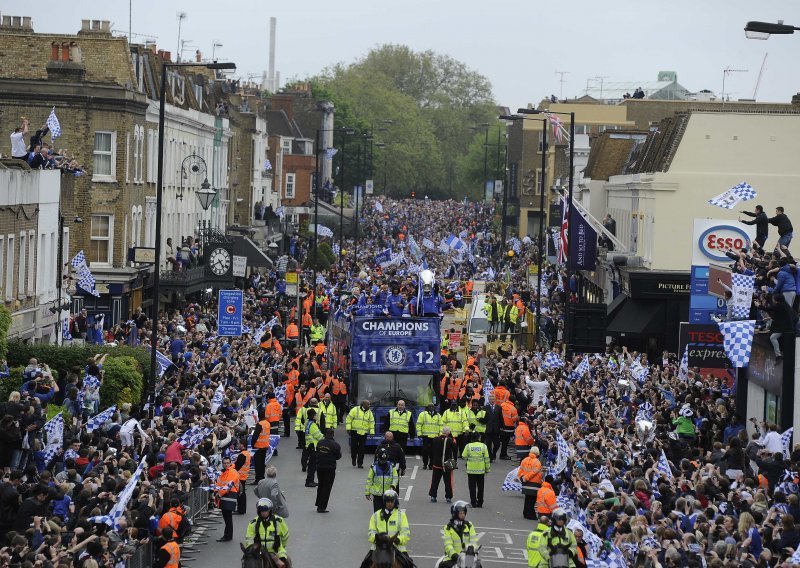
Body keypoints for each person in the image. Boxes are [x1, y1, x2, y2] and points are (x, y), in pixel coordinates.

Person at [360, 490, 412, 568]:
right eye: (388, 501)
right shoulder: (375, 516)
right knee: (364, 565)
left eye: (392, 501)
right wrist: (378, 540)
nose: (390, 503)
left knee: (409, 564)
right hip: (378, 548)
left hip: (396, 547)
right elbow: (371, 533)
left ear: (395, 502)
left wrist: (398, 540)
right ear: (384, 502)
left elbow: (406, 533)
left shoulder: (401, 515)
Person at [245, 498, 291, 568]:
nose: (263, 512)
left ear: (270, 510)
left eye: (266, 510)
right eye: (261, 511)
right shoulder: (253, 523)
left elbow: (285, 536)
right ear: (258, 511)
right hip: (258, 552)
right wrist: (253, 550)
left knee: (286, 562)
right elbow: (249, 539)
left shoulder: (279, 521)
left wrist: (281, 547)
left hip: (276, 552)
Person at [438, 501, 478, 568]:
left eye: (464, 513)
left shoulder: (469, 525)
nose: (463, 515)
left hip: (468, 558)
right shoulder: (448, 528)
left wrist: (472, 548)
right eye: (461, 513)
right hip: (453, 558)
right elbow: (448, 545)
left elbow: (474, 541)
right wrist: (455, 555)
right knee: (441, 566)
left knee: (479, 566)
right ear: (455, 514)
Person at [315, 428, 341, 513]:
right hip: (330, 468)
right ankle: (322, 507)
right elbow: (338, 456)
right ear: (333, 434)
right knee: (327, 487)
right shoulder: (335, 445)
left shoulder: (320, 443)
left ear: (325, 434)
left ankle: (318, 503)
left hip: (319, 467)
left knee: (321, 485)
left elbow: (317, 451)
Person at [366, 448, 400, 512]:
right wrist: (367, 493)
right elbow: (369, 480)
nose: (383, 462)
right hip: (377, 495)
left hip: (388, 494)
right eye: (381, 460)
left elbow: (395, 478)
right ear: (378, 458)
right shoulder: (374, 466)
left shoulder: (392, 466)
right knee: (377, 513)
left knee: (388, 513)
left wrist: (393, 486)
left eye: (384, 460)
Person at [462, 432, 490, 508]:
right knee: (481, 487)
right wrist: (487, 469)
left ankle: (473, 503)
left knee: (472, 487)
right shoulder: (483, 446)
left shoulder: (468, 446)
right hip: (481, 470)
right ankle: (480, 503)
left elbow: (463, 456)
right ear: (478, 438)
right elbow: (487, 459)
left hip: (471, 470)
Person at [430, 426, 458, 504]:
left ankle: (433, 496)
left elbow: (432, 450)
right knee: (448, 482)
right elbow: (455, 449)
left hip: (436, 464)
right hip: (447, 465)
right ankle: (448, 497)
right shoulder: (450, 440)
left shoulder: (435, 439)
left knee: (435, 481)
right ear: (449, 432)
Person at [216, 455, 240, 542]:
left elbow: (227, 486)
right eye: (224, 463)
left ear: (230, 463)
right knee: (227, 517)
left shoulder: (232, 472)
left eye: (227, 463)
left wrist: (219, 494)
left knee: (228, 517)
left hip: (228, 495)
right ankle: (228, 535)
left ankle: (228, 536)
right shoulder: (225, 472)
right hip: (226, 495)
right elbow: (220, 483)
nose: (226, 464)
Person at [346, 399, 375, 468]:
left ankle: (360, 463)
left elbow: (371, 422)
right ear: (363, 405)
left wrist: (371, 432)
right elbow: (348, 419)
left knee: (362, 449)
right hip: (354, 431)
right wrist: (348, 428)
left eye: (369, 404)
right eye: (368, 404)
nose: (369, 405)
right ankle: (353, 458)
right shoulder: (355, 410)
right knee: (354, 447)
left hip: (363, 433)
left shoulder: (369, 412)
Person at [518, 447, 544, 520]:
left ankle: (525, 513)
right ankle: (530, 515)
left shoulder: (524, 460)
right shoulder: (537, 462)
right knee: (532, 500)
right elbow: (534, 472)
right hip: (534, 484)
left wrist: (522, 478)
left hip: (525, 483)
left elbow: (520, 471)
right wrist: (526, 478)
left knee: (527, 499)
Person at [303, 408, 324, 487]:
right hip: (313, 446)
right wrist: (324, 438)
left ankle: (310, 480)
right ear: (313, 416)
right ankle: (309, 481)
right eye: (315, 415)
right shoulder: (313, 425)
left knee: (312, 465)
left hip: (309, 446)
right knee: (312, 466)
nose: (316, 416)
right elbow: (318, 436)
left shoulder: (308, 423)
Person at [417, 403, 441, 469]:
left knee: (433, 452)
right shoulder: (422, 414)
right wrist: (419, 433)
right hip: (426, 436)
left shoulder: (438, 415)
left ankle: (431, 465)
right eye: (429, 406)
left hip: (435, 437)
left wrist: (441, 435)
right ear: (427, 407)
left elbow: (441, 425)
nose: (431, 407)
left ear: (434, 407)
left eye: (432, 406)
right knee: (425, 451)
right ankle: (425, 463)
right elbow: (419, 424)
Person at [252, 413, 274, 483]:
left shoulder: (260, 424)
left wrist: (252, 444)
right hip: (265, 445)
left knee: (257, 464)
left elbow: (255, 436)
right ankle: (262, 477)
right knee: (262, 463)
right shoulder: (267, 423)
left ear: (259, 417)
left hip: (259, 446)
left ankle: (258, 479)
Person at [483, 392, 502, 461]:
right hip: (488, 429)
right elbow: (484, 418)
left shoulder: (499, 408)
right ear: (488, 400)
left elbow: (501, 418)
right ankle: (490, 456)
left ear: (495, 400)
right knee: (488, 444)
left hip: (496, 429)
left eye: (493, 399)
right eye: (490, 399)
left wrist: (502, 427)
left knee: (497, 444)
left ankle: (494, 453)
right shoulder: (485, 408)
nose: (492, 400)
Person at [234, 439, 251, 515]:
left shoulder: (242, 455)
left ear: (242, 445)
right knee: (242, 493)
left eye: (239, 444)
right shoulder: (247, 453)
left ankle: (241, 510)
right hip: (243, 476)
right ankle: (241, 509)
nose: (238, 445)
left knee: (240, 494)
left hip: (240, 476)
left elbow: (237, 466)